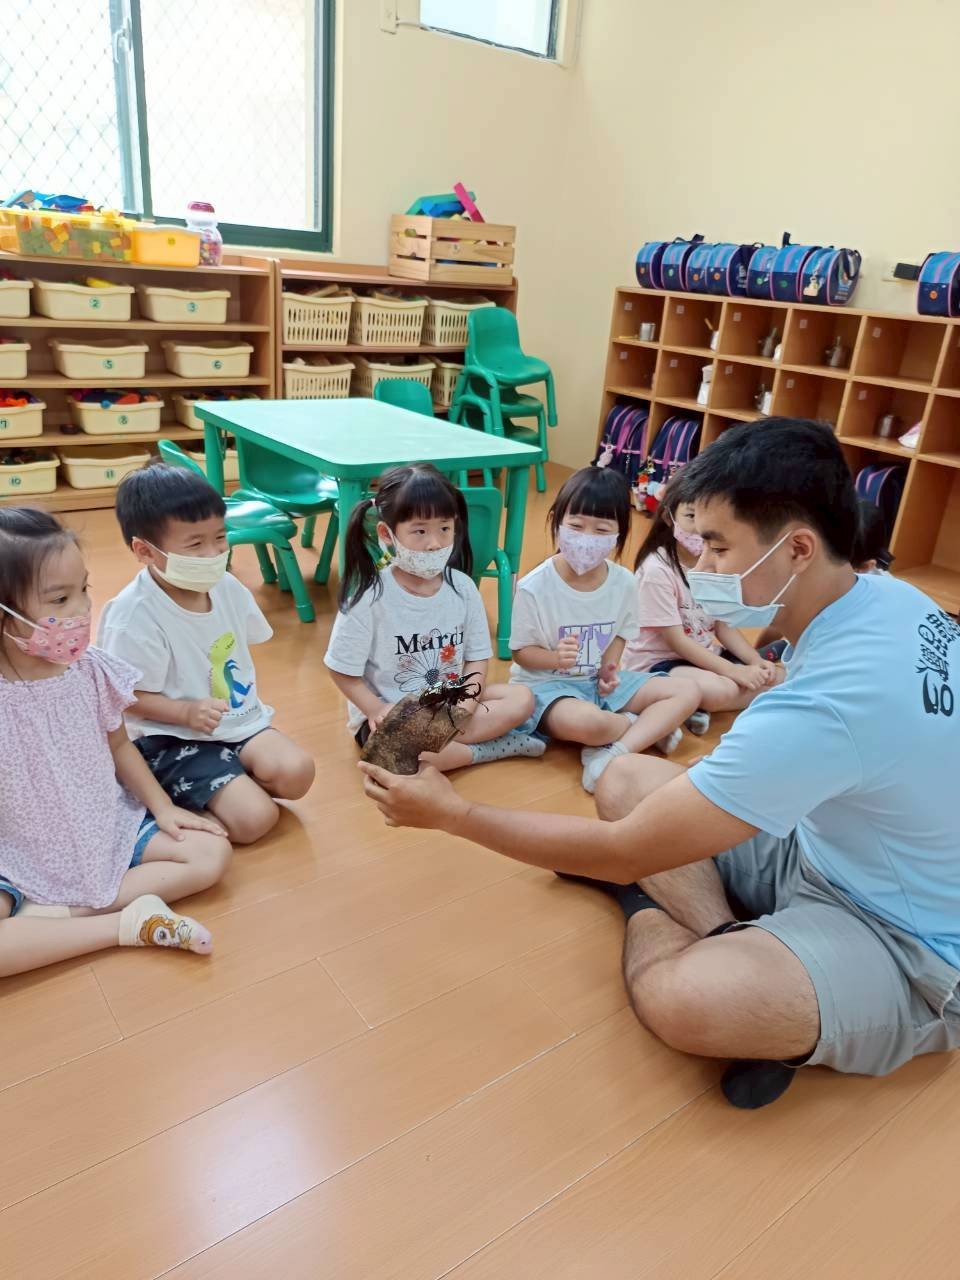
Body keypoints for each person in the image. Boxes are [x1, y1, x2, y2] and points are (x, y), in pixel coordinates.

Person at [359, 419, 960, 1111]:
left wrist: (453, 814)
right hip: (825, 846)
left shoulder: (830, 704)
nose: (701, 568)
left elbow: (624, 847)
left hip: (908, 939)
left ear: (798, 548)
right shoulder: (891, 597)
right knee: (623, 776)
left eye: (719, 547)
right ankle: (722, 932)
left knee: (682, 998)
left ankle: (647, 902)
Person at [0, 508, 230, 977]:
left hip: (105, 828)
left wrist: (163, 808)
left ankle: (57, 921)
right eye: (60, 598)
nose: (82, 609)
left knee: (210, 855)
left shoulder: (90, 670)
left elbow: (121, 746)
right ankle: (124, 924)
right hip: (18, 852)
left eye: (83, 589)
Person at [99, 463, 315, 845]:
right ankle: (172, 797)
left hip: (235, 724)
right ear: (144, 550)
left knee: (297, 773)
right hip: (168, 736)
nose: (214, 553)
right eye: (195, 545)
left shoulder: (226, 587)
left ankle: (224, 783)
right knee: (255, 820)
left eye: (220, 537)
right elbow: (123, 698)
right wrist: (184, 712)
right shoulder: (133, 615)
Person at [324, 463, 538, 769]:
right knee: (405, 755)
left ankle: (455, 744)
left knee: (522, 698)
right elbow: (341, 669)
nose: (435, 543)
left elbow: (477, 659)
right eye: (420, 531)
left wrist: (466, 706)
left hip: (446, 700)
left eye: (444, 529)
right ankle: (489, 749)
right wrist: (374, 709)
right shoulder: (369, 597)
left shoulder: (463, 588)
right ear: (387, 534)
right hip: (395, 715)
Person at [508, 466, 699, 794]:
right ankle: (639, 727)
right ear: (556, 522)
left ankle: (613, 752)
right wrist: (555, 659)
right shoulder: (534, 586)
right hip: (548, 688)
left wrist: (610, 668)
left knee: (688, 691)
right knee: (590, 723)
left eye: (601, 530)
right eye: (576, 526)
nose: (587, 538)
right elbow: (521, 654)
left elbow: (621, 632)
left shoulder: (623, 582)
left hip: (596, 684)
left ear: (618, 535)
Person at [623, 472, 783, 735]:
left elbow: (723, 626)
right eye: (690, 516)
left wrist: (754, 661)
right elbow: (677, 641)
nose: (700, 528)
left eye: (707, 518)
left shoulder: (717, 564)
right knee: (724, 690)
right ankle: (676, 703)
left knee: (776, 675)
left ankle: (687, 707)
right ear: (669, 517)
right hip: (657, 666)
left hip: (703, 658)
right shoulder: (656, 571)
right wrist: (733, 671)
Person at [755, 497, 893, 659]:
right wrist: (754, 657)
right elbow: (780, 622)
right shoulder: (813, 573)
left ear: (865, 567)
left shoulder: (879, 600)